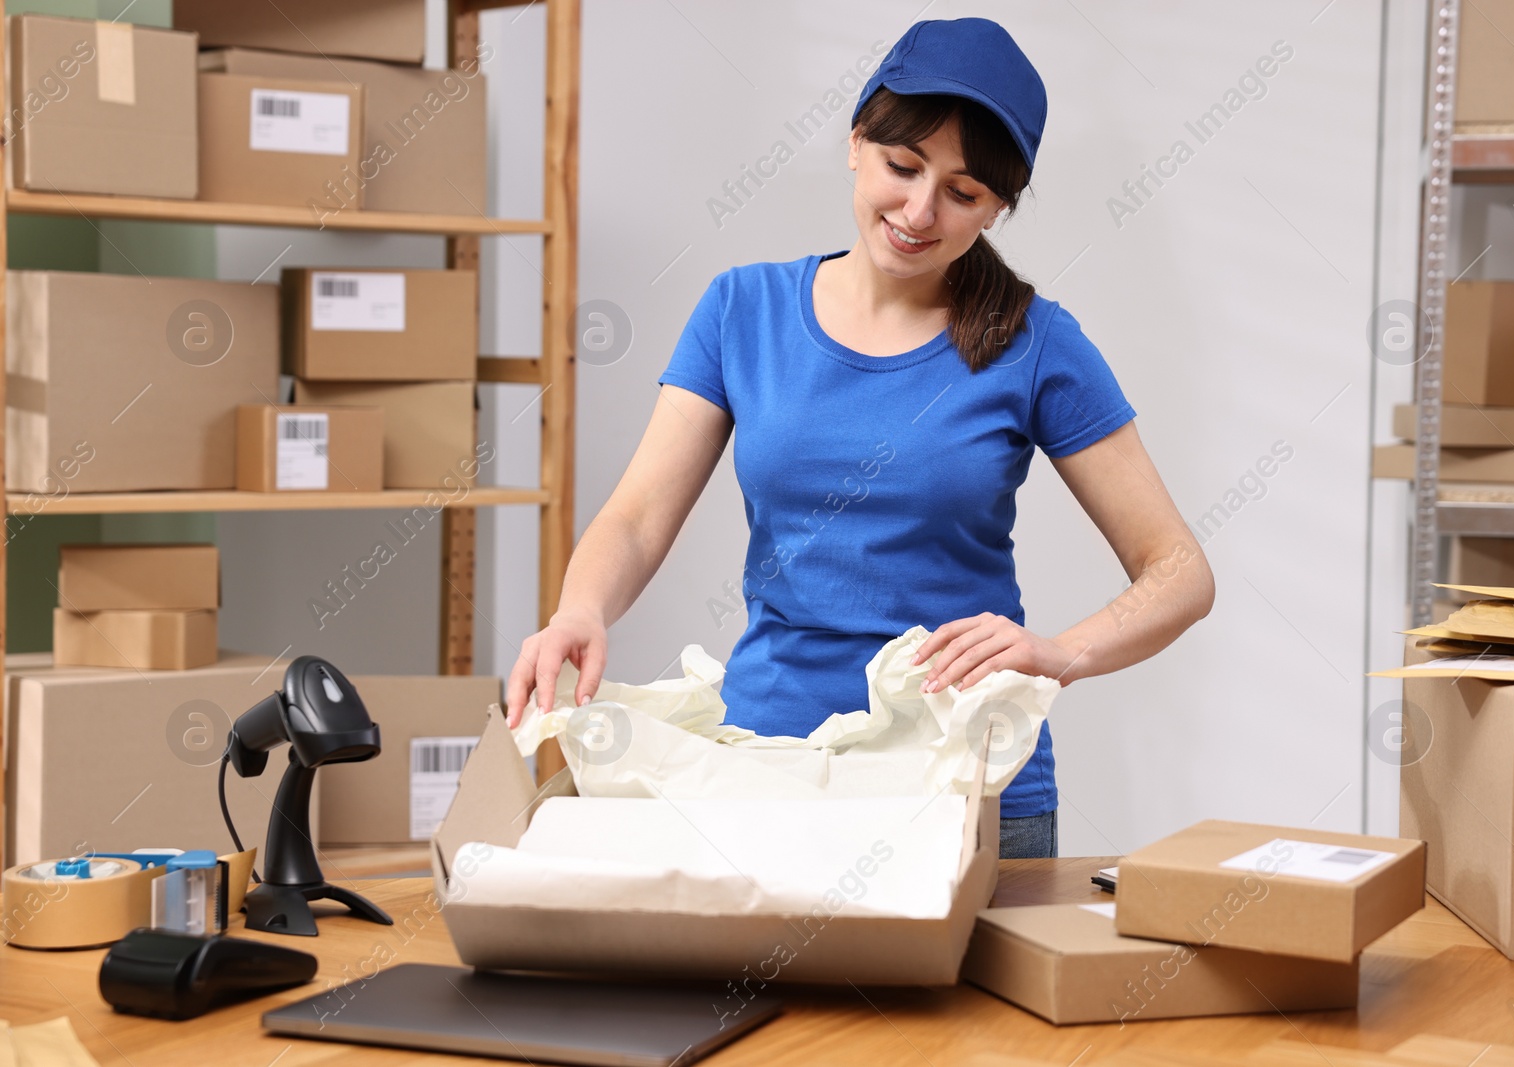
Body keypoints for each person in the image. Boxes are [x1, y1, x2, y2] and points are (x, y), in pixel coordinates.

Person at [505, 17, 1214, 859]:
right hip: (772, 773)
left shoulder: (1036, 342)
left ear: (999, 206)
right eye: (902, 167)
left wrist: (1059, 652)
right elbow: (636, 518)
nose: (919, 212)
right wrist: (577, 610)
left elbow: (1180, 571)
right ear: (855, 143)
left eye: (963, 193)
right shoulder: (743, 311)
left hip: (969, 788)